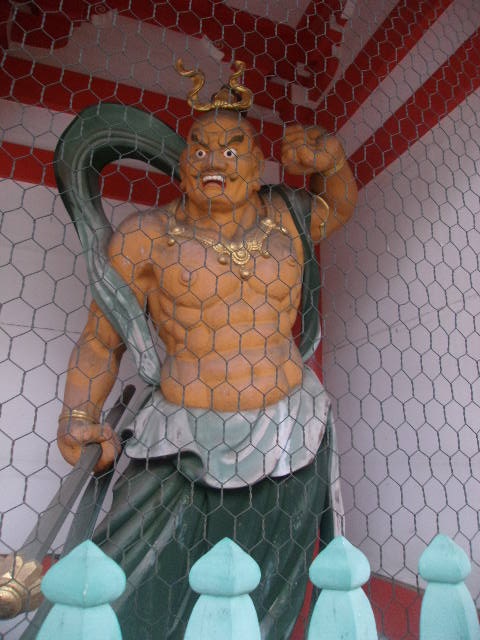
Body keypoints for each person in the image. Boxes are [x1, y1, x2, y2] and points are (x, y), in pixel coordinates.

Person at [56, 62, 358, 639]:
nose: (213, 160)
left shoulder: (286, 217)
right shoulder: (145, 237)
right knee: (131, 581)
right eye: (199, 148)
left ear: (259, 161)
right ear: (182, 164)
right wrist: (78, 415)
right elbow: (100, 340)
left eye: (232, 147)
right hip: (177, 438)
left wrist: (334, 163)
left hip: (288, 432)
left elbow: (338, 208)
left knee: (264, 589)